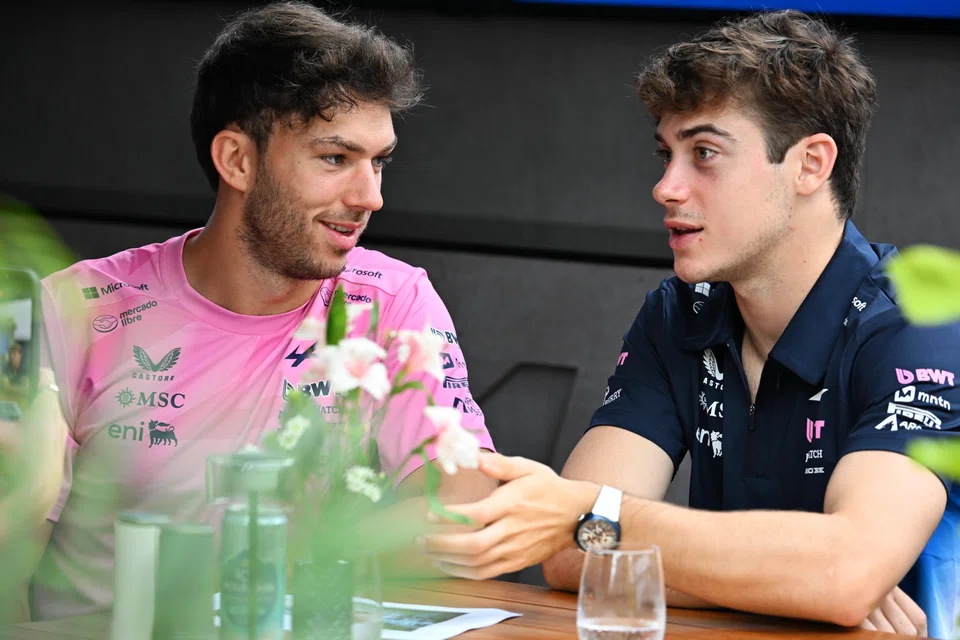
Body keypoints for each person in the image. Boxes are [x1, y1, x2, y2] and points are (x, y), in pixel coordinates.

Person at [421, 10, 959, 639]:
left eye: (704, 153)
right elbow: (567, 554)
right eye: (667, 153)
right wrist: (795, 586)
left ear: (812, 165)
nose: (665, 187)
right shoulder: (680, 310)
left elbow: (844, 573)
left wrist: (828, 578)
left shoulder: (925, 323)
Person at [24, 1, 496, 621]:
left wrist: (294, 565)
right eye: (335, 159)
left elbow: (469, 509)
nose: (370, 197)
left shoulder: (393, 300)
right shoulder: (71, 310)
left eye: (378, 161)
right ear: (237, 161)